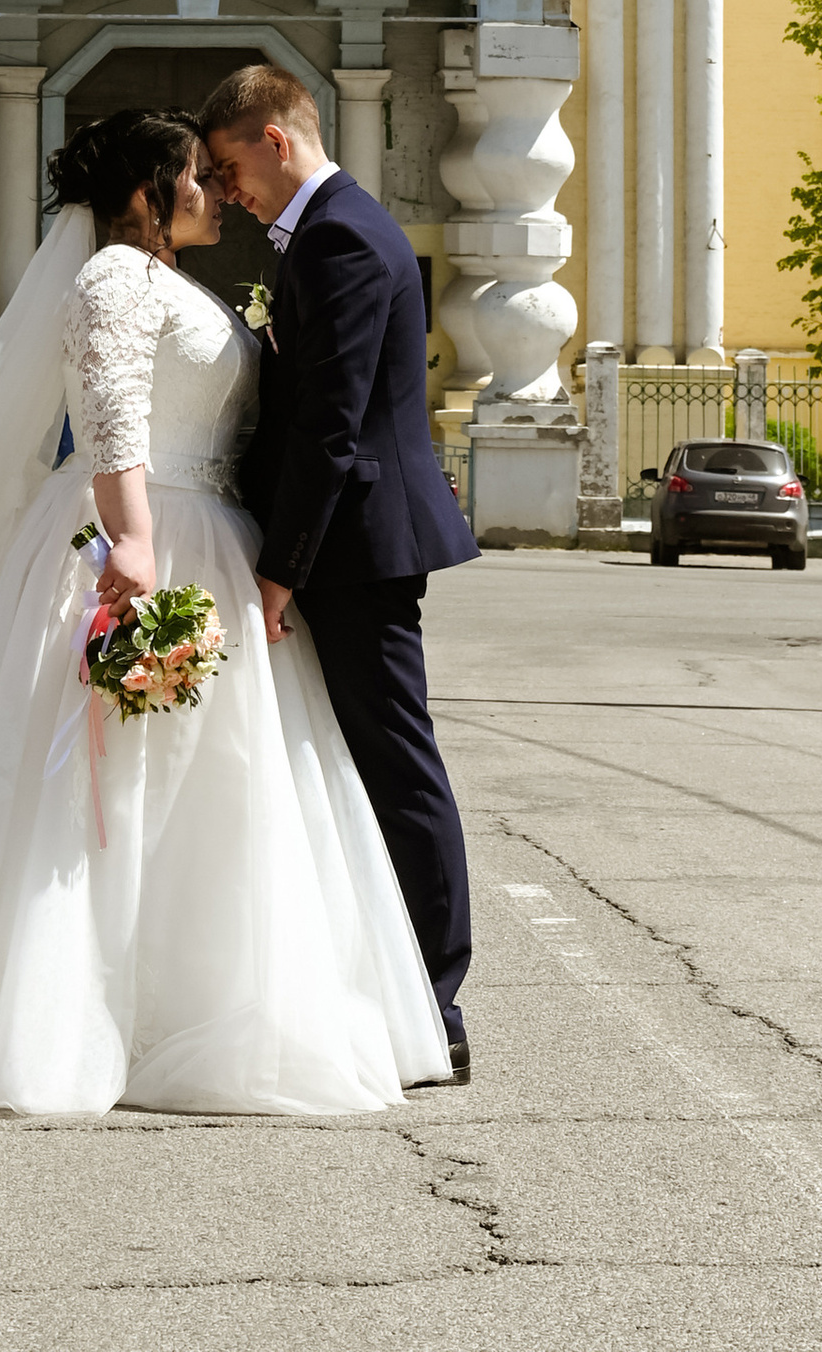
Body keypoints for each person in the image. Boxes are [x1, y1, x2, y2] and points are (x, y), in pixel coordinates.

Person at [0, 108, 449, 1115]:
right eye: (194, 175)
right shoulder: (114, 276)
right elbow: (114, 411)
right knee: (101, 778)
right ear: (144, 194)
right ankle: (61, 1012)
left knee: (206, 781)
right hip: (147, 526)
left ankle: (170, 997)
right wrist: (133, 538)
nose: (212, 190)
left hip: (203, 525)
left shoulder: (163, 280)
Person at [202, 59, 478, 1085]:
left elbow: (331, 425)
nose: (227, 193)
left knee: (395, 764)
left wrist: (282, 569)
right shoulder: (321, 232)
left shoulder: (344, 240)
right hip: (340, 539)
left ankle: (435, 1001)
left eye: (230, 169)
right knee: (356, 761)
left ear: (274, 140)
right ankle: (383, 979)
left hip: (356, 548)